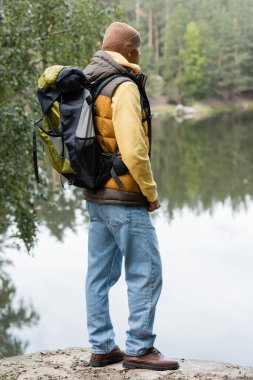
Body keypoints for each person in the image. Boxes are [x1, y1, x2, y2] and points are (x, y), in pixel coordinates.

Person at [83, 21, 179, 371]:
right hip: (124, 195)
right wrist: (150, 193)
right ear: (127, 51)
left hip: (95, 195)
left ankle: (102, 347)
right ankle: (139, 347)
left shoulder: (91, 80)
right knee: (147, 271)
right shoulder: (123, 86)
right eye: (137, 49)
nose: (139, 55)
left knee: (98, 275)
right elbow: (134, 149)